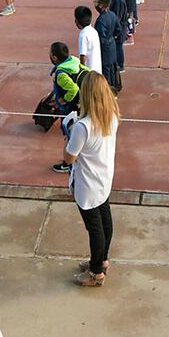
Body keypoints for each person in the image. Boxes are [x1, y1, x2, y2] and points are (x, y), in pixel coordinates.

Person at [62, 72, 120, 287]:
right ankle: (102, 260)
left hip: (87, 183)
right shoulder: (111, 116)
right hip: (104, 177)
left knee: (95, 229)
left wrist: (68, 134)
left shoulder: (83, 126)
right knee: (105, 220)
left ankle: (96, 273)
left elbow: (69, 157)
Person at [94, 0, 120, 91]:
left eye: (96, 2)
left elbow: (100, 37)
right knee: (113, 68)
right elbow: (118, 29)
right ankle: (114, 88)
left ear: (101, 5)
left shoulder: (101, 20)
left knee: (106, 71)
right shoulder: (112, 14)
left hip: (105, 49)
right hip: (112, 44)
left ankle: (108, 91)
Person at [108, 0, 129, 71]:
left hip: (119, 28)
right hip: (119, 27)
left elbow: (117, 17)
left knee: (118, 46)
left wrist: (115, 30)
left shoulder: (119, 0)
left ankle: (120, 65)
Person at [73, 5, 102, 74]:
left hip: (89, 72)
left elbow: (83, 55)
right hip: (97, 70)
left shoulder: (83, 35)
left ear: (76, 21)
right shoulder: (93, 30)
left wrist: (82, 71)